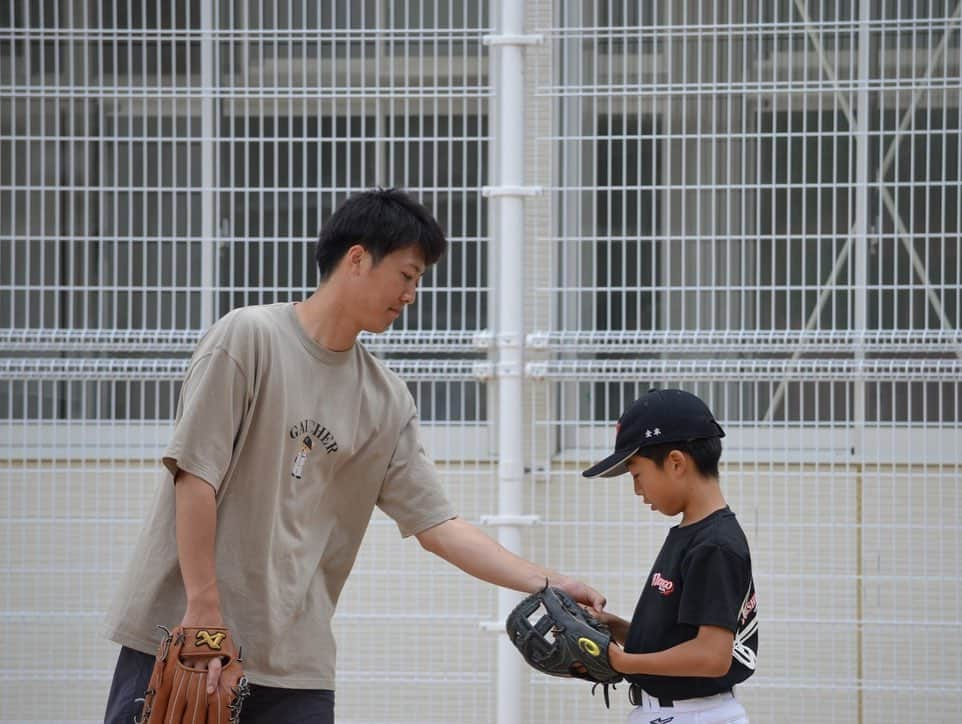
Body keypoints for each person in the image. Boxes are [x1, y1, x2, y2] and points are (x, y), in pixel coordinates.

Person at [102, 188, 605, 723]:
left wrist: (549, 582)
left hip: (294, 665)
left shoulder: (386, 399)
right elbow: (195, 477)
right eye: (408, 275)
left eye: (419, 281)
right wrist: (204, 617)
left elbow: (439, 525)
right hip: (186, 641)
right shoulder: (248, 338)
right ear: (359, 258)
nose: (412, 294)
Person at [581, 388, 758, 724]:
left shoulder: (715, 545)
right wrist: (612, 626)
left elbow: (711, 656)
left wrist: (621, 662)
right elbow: (676, 641)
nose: (637, 490)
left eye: (637, 474)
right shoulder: (693, 534)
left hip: (696, 714)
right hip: (671, 712)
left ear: (676, 463)